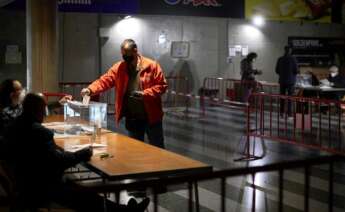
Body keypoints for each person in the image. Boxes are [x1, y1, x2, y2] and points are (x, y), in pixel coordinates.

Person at [3, 93, 149, 212]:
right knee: (87, 196)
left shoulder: (13, 125)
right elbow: (58, 161)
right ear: (36, 110)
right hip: (40, 189)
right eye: (44, 108)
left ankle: (124, 210)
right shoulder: (40, 132)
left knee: (80, 189)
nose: (45, 112)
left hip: (22, 182)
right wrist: (83, 153)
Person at [81, 39, 168, 149]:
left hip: (151, 116)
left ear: (135, 50)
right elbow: (105, 80)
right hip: (133, 117)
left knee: (157, 147)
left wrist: (145, 94)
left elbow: (162, 86)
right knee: (135, 148)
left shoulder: (152, 66)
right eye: (123, 54)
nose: (125, 57)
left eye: (127, 53)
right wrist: (90, 89)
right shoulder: (119, 67)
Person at [275, 46, 298, 116]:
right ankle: (289, 113)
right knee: (290, 98)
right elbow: (296, 70)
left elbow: (276, 70)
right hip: (291, 82)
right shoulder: (293, 59)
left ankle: (281, 112)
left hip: (282, 81)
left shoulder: (280, 59)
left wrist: (282, 74)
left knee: (282, 97)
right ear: (290, 51)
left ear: (284, 50)